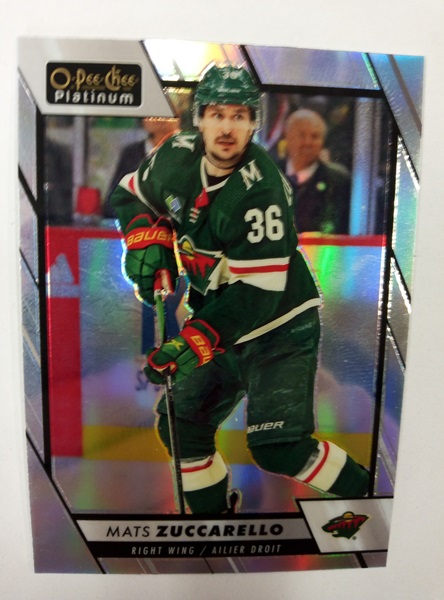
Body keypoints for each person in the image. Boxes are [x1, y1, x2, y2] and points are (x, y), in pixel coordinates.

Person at [111, 64, 369, 514]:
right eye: (217, 114)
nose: (227, 128)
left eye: (239, 116)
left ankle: (371, 499)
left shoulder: (261, 191)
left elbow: (259, 292)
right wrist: (146, 239)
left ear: (254, 123)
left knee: (279, 447)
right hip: (221, 314)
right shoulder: (176, 155)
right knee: (181, 425)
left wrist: (196, 339)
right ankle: (213, 521)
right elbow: (131, 193)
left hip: (278, 326)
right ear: (199, 119)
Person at [282, 109, 351, 234]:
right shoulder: (266, 174)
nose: (308, 142)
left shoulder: (338, 180)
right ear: (288, 137)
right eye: (302, 135)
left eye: (315, 136)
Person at [104, 116, 180, 218]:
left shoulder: (188, 151)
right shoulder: (131, 153)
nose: (159, 119)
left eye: (166, 115)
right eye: (152, 115)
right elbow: (113, 201)